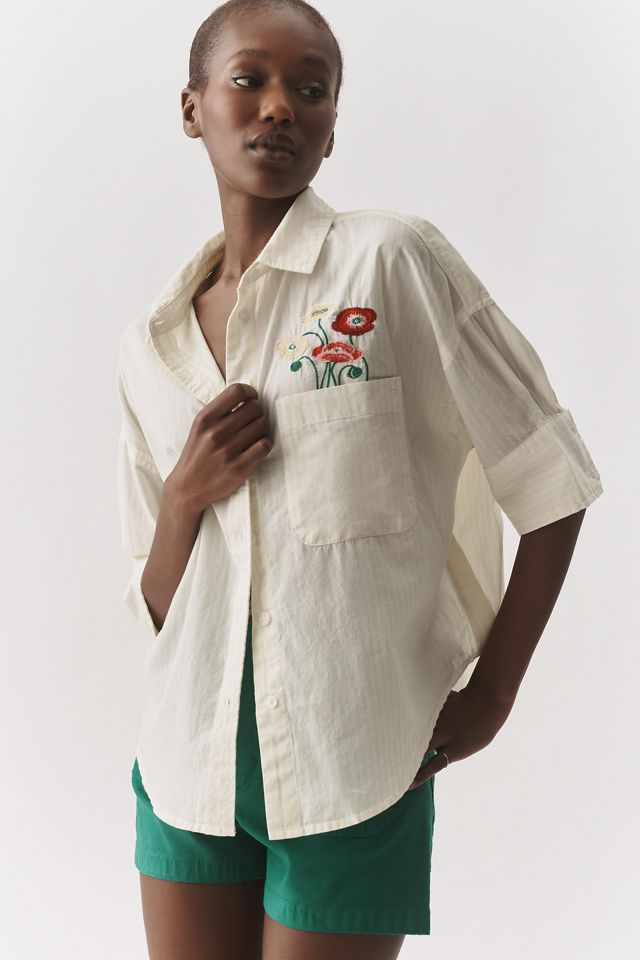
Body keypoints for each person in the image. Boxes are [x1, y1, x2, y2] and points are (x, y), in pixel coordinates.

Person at [116, 1, 604, 957]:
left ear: (333, 127)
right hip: (185, 765)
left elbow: (553, 481)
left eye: (312, 90)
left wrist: (493, 695)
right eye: (249, 79)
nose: (279, 108)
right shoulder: (151, 343)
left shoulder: (391, 261)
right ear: (191, 108)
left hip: (356, 762)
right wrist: (182, 499)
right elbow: (158, 605)